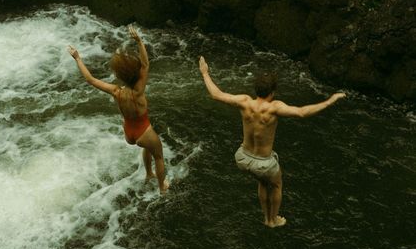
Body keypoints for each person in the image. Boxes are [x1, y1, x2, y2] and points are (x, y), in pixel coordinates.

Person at [199, 56, 345, 227]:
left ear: (256, 89)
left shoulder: (245, 102)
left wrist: (205, 73)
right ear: (273, 91)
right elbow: (302, 112)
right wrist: (329, 101)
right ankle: (272, 220)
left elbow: (216, 94)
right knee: (276, 185)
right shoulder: (274, 107)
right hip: (264, 164)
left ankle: (265, 217)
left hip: (242, 158)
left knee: (262, 181)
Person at [68, 27, 168, 193]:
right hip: (144, 131)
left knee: (146, 148)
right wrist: (139, 41)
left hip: (129, 132)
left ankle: (149, 174)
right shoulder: (138, 91)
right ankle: (162, 188)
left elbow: (90, 80)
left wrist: (77, 58)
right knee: (158, 155)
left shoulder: (116, 91)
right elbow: (145, 64)